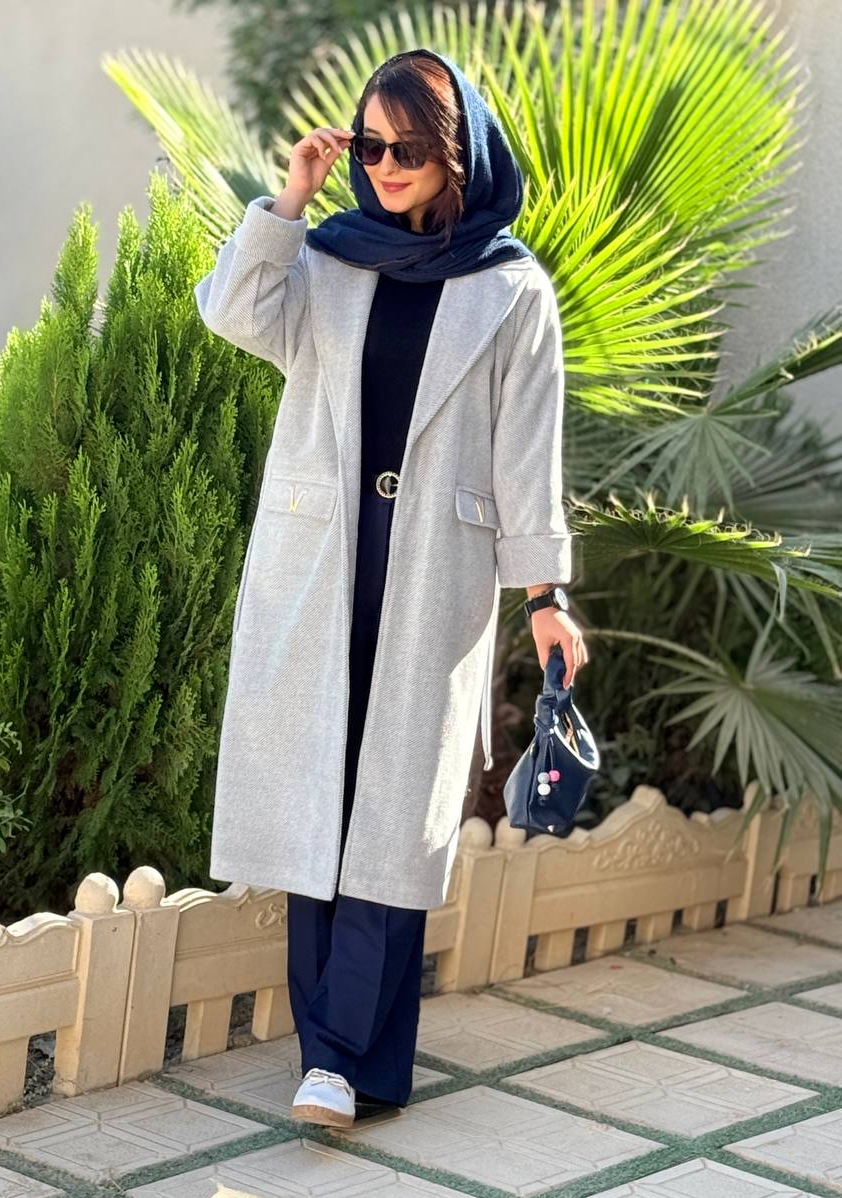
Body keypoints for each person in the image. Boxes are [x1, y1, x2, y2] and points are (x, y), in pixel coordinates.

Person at [194, 48, 588, 1129]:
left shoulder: (511, 287)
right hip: (321, 564)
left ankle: (336, 1059)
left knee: (392, 811)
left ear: (458, 153)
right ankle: (341, 1059)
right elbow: (233, 309)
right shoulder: (327, 258)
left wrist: (545, 597)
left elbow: (528, 456)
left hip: (433, 570)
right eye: (371, 145)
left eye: (409, 146)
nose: (386, 164)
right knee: (317, 793)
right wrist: (290, 199)